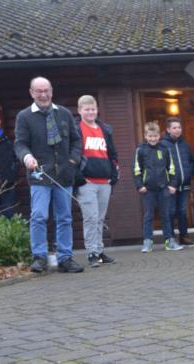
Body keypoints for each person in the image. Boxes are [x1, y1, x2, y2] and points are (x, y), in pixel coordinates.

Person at [14, 76, 83, 273]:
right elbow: (20, 144)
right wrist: (27, 157)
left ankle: (65, 258)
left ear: (51, 92)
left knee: (65, 218)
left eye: (46, 91)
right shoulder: (24, 116)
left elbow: (76, 141)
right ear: (31, 93)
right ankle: (39, 257)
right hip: (39, 175)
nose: (43, 95)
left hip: (64, 175)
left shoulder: (64, 113)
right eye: (39, 91)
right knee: (39, 216)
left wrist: (72, 161)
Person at [74, 95, 119, 268]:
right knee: (91, 218)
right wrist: (78, 176)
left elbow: (112, 153)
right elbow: (73, 154)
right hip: (87, 182)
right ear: (80, 111)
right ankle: (92, 253)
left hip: (104, 181)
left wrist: (114, 172)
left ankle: (100, 251)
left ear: (97, 110)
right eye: (87, 109)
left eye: (93, 109)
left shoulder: (105, 129)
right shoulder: (76, 129)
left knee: (100, 218)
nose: (90, 112)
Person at [134, 121, 181, 253]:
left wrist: (172, 184)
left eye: (155, 136)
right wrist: (140, 185)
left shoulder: (164, 149)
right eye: (150, 136)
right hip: (148, 190)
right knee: (148, 216)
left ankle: (169, 241)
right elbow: (137, 170)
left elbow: (172, 168)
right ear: (145, 136)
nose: (153, 139)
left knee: (166, 215)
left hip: (163, 188)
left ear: (159, 136)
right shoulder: (140, 150)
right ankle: (147, 242)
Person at [161, 117, 194, 248]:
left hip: (184, 184)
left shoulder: (184, 144)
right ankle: (171, 238)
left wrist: (189, 173)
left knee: (182, 211)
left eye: (179, 127)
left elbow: (192, 160)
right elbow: (161, 165)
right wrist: (168, 182)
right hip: (170, 186)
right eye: (174, 128)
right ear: (168, 129)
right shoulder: (163, 145)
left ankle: (184, 236)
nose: (177, 130)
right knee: (170, 211)